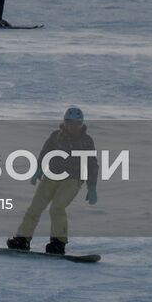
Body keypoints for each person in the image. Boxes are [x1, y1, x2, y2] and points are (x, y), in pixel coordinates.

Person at [7, 106, 99, 255]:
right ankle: (22, 240)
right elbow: (45, 153)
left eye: (77, 123)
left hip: (73, 179)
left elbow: (92, 165)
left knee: (57, 208)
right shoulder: (56, 136)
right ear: (65, 122)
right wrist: (38, 169)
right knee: (35, 208)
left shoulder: (86, 141)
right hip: (52, 176)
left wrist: (92, 187)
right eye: (70, 123)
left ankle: (58, 243)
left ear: (81, 124)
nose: (73, 126)